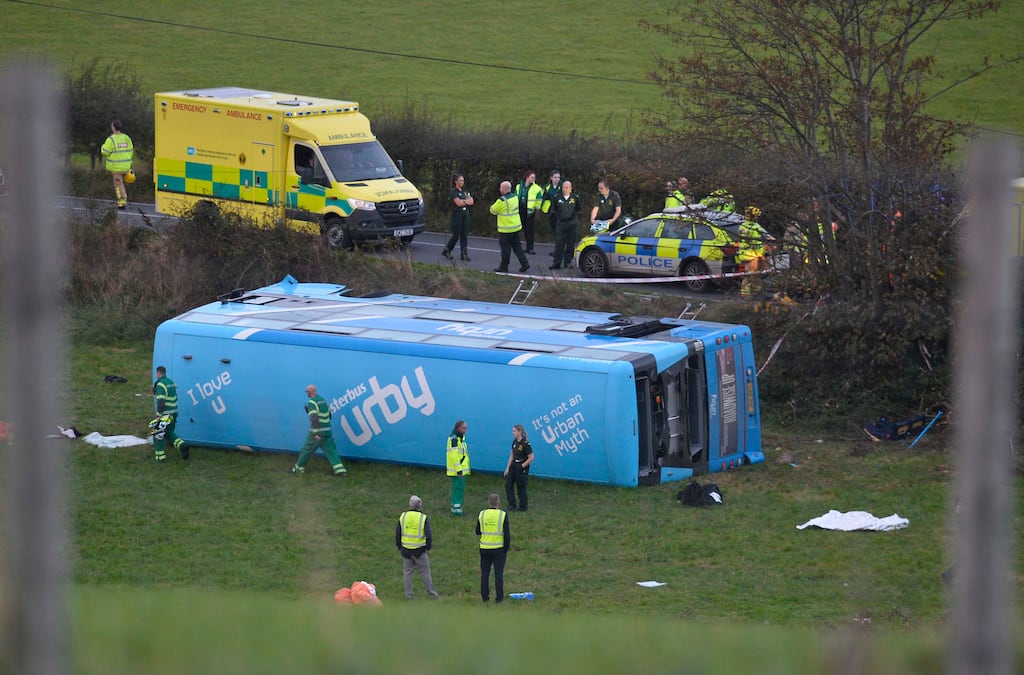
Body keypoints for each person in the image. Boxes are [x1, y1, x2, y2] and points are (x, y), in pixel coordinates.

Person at [289, 384, 347, 475]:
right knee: (332, 451)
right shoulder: (324, 400)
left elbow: (314, 418)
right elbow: (329, 415)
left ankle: (298, 469)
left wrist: (316, 433)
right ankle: (340, 471)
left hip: (317, 432)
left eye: (307, 392)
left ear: (310, 392)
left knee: (306, 450)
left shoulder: (312, 402)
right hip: (327, 431)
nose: (306, 393)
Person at [395, 495, 440, 599]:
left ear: (410, 505)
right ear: (420, 506)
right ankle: (432, 594)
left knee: (408, 573)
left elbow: (398, 533)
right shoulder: (423, 518)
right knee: (425, 573)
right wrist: (428, 547)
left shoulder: (403, 516)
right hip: (420, 550)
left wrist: (399, 546)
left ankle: (409, 595)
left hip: (406, 549)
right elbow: (428, 535)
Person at [476, 493, 510, 603]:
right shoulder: (502, 515)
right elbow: (507, 534)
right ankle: (499, 598)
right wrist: (506, 548)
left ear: (488, 502)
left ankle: (485, 597)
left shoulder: (482, 514)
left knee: (485, 574)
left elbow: (477, 531)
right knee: (498, 574)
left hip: (484, 548)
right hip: (499, 549)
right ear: (498, 503)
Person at [490, 180, 530, 274]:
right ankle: (525, 263)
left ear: (504, 189)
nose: (499, 189)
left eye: (501, 187)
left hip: (506, 229)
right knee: (517, 247)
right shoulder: (515, 197)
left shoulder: (502, 200)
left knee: (505, 249)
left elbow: (492, 210)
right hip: (515, 227)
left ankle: (504, 267)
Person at [151, 365, 188, 461]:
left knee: (158, 433)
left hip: (165, 414)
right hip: (174, 412)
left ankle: (160, 457)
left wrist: (159, 415)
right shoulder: (171, 383)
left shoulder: (160, 385)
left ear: (158, 373)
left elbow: (161, 402)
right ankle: (182, 445)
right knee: (169, 432)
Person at [101, 120, 134, 209]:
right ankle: (123, 201)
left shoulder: (111, 139)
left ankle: (122, 203)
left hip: (116, 167)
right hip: (126, 166)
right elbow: (131, 150)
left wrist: (103, 146)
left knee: (118, 185)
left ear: (113, 128)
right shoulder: (127, 138)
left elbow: (105, 152)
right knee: (121, 184)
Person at [442, 174, 474, 261]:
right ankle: (447, 250)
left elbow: (471, 201)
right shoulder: (454, 192)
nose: (462, 182)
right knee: (456, 235)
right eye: (460, 180)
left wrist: (464, 201)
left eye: (463, 180)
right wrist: (465, 201)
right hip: (457, 215)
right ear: (456, 181)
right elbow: (458, 203)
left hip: (465, 214)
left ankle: (464, 254)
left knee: (464, 235)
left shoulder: (465, 191)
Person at [550, 180, 581, 269]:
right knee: (559, 243)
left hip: (572, 223)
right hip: (561, 223)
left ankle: (567, 262)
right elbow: (554, 209)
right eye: (564, 187)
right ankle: (557, 263)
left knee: (571, 244)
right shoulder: (557, 197)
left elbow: (578, 208)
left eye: (567, 187)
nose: (565, 189)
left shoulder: (575, 198)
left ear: (570, 189)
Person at [503, 424, 534, 511]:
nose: (513, 433)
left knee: (521, 487)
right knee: (508, 485)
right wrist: (507, 468)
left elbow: (531, 457)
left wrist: (522, 466)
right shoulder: (515, 442)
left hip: (521, 467)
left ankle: (523, 507)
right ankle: (512, 505)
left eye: (514, 431)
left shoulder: (525, 444)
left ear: (519, 432)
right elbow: (512, 455)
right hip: (513, 466)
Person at [514, 170, 544, 254]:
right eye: (532, 177)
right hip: (520, 209)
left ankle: (530, 247)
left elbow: (539, 200)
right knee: (520, 228)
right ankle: (518, 245)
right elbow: (515, 197)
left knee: (529, 230)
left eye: (534, 177)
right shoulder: (519, 186)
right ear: (527, 177)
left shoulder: (537, 188)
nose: (534, 179)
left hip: (530, 211)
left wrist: (536, 209)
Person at [445, 420, 471, 516]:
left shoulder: (460, 439)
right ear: (458, 428)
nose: (465, 430)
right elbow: (454, 455)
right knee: (458, 489)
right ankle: (457, 510)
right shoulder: (454, 439)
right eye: (464, 428)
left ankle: (456, 508)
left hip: (459, 470)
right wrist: (459, 469)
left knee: (458, 489)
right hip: (458, 470)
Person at [539, 169, 562, 239]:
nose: (557, 179)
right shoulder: (547, 187)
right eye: (555, 177)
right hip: (552, 212)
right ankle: (557, 247)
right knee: (554, 229)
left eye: (558, 177)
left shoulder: (563, 186)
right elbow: (543, 197)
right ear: (551, 178)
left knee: (561, 230)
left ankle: (563, 247)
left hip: (561, 211)